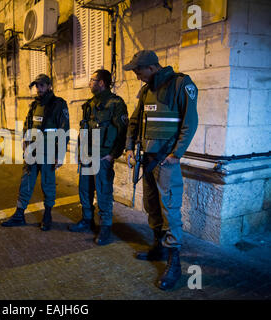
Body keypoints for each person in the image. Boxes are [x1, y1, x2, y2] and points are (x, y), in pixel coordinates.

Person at [123, 50, 198, 290]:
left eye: (138, 71)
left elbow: (190, 121)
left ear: (152, 67)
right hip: (147, 159)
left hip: (167, 160)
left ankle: (173, 262)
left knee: (170, 209)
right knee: (151, 204)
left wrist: (177, 154)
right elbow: (135, 121)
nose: (136, 76)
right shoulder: (146, 91)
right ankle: (157, 246)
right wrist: (129, 149)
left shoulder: (180, 84)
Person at [0, 74, 70, 231]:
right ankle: (19, 214)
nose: (38, 89)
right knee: (26, 182)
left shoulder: (59, 104)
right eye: (36, 86)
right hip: (32, 152)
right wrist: (25, 141)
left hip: (48, 152)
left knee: (48, 184)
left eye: (41, 86)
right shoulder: (33, 105)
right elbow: (27, 124)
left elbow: (64, 130)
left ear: (49, 86)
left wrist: (60, 155)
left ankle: (48, 215)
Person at [69, 69, 128, 246]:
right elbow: (84, 131)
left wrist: (113, 155)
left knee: (103, 191)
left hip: (103, 157)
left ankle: (105, 227)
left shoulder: (116, 103)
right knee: (85, 189)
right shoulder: (89, 104)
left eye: (92, 80)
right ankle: (87, 220)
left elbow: (122, 131)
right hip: (87, 155)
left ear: (101, 83)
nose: (89, 83)